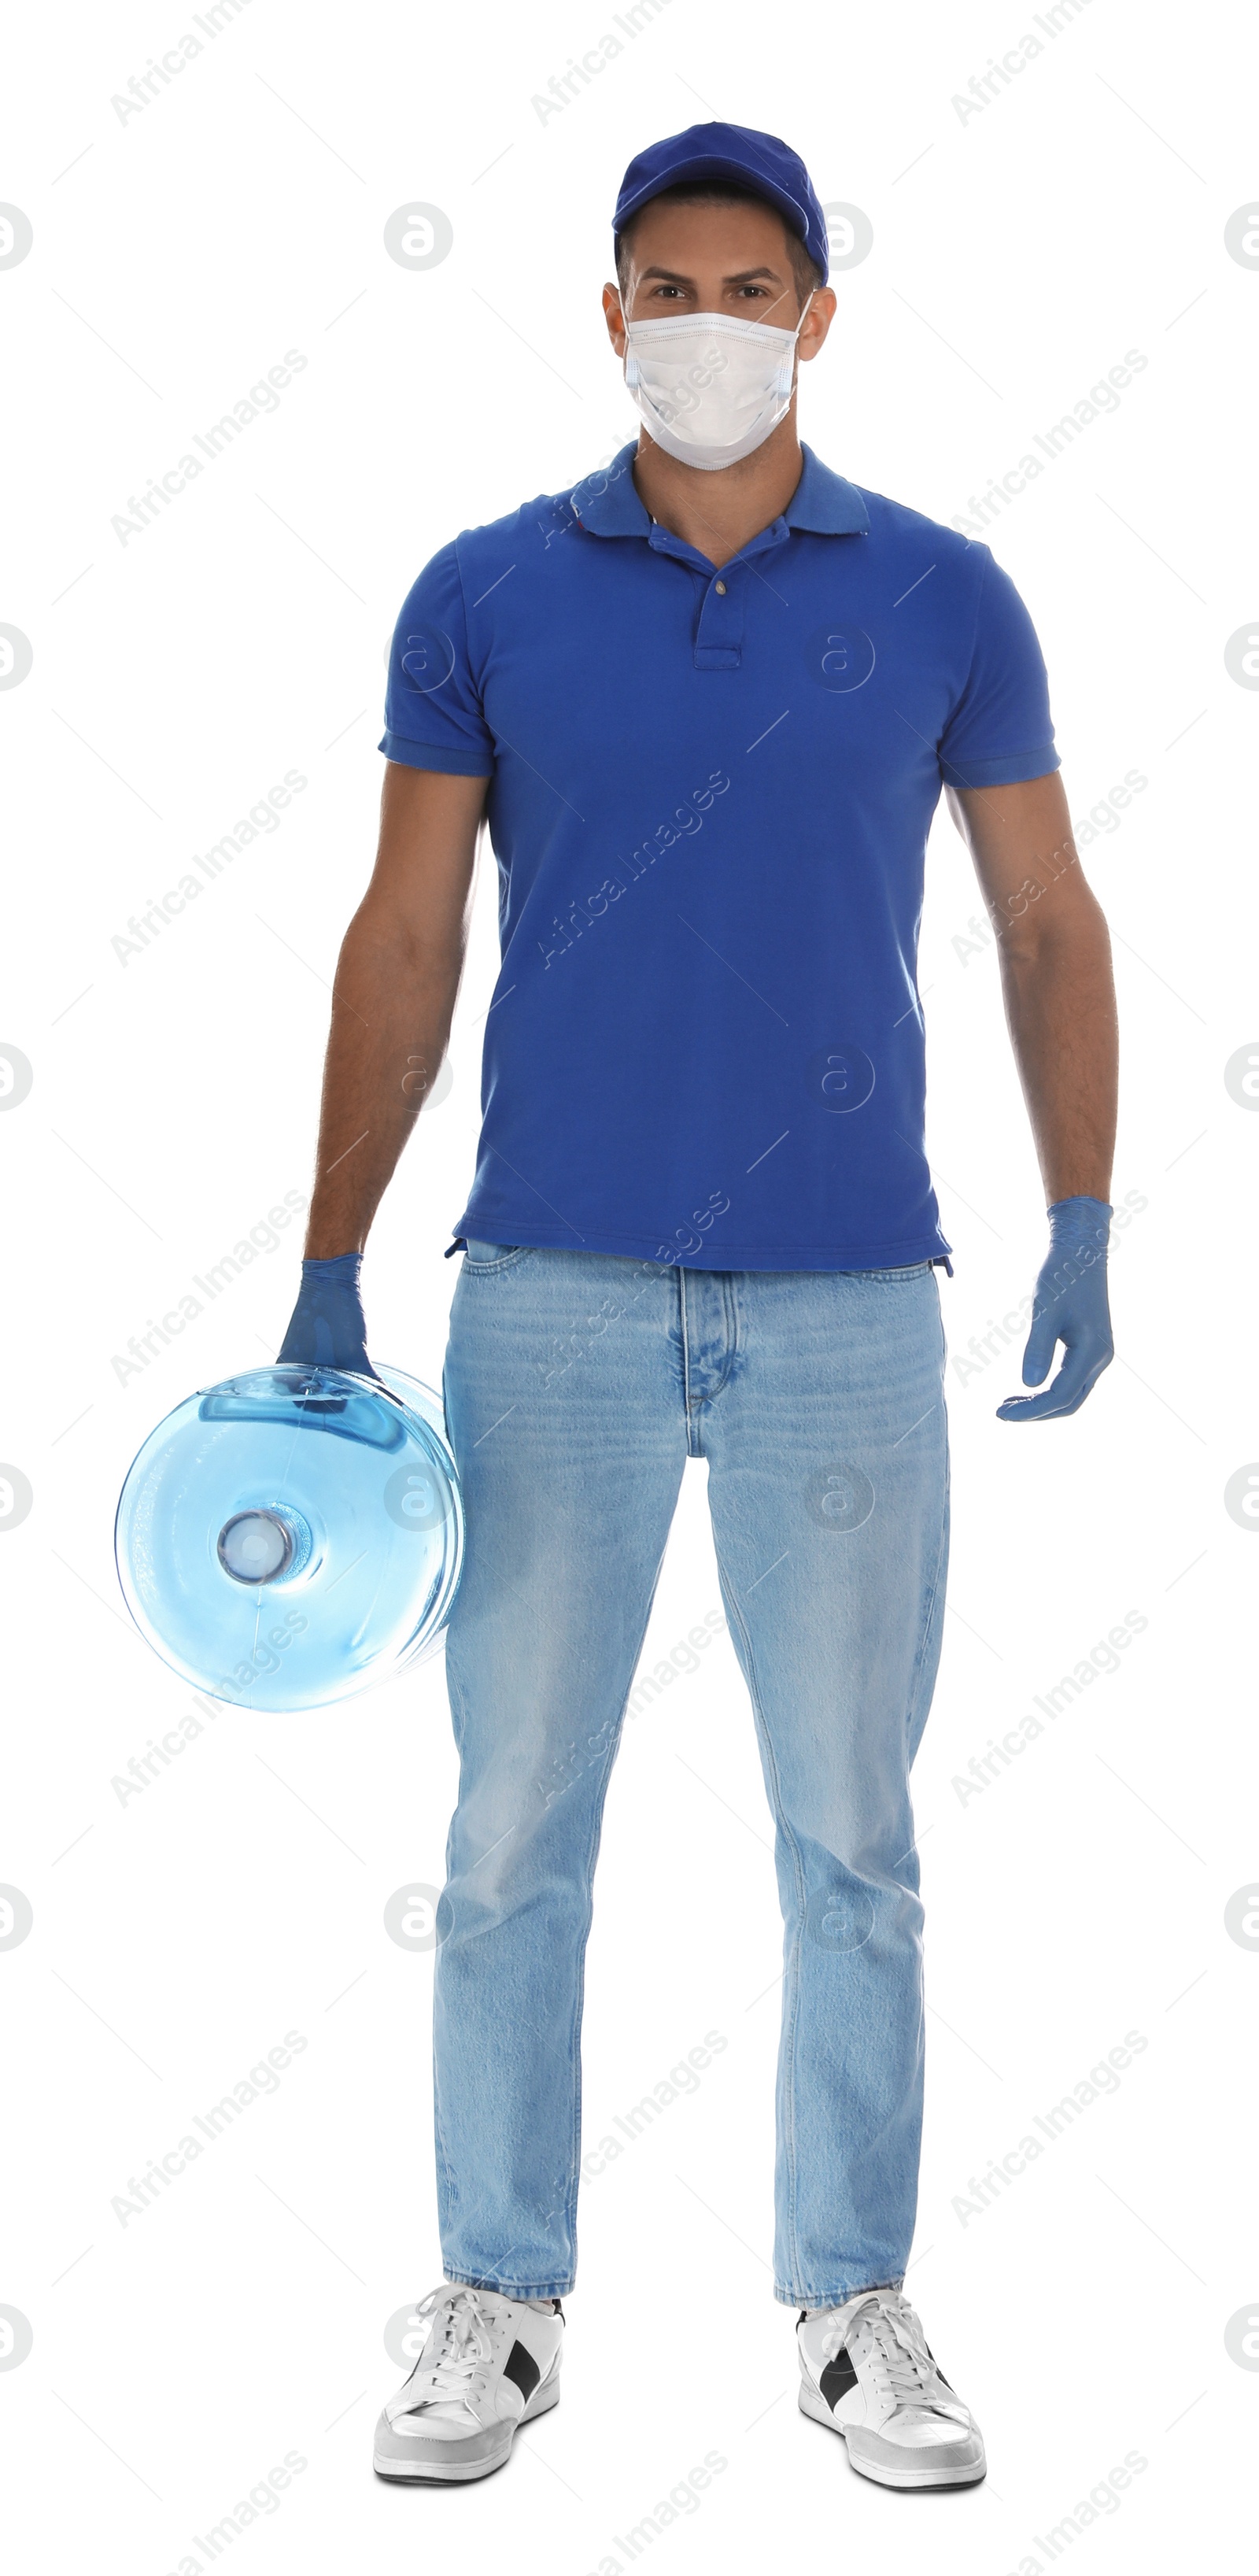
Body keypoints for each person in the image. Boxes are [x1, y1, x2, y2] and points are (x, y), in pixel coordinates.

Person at [278, 123, 1118, 2493]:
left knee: (850, 1829)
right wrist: (330, 1252)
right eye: (670, 285)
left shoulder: (949, 595)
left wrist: (1084, 1211)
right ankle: (498, 2301)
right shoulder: (483, 592)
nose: (710, 323)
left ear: (823, 314)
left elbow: (1050, 920)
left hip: (853, 1289)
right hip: (544, 1284)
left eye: (754, 285)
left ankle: (854, 2302)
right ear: (611, 305)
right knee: (514, 1819)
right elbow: (405, 930)